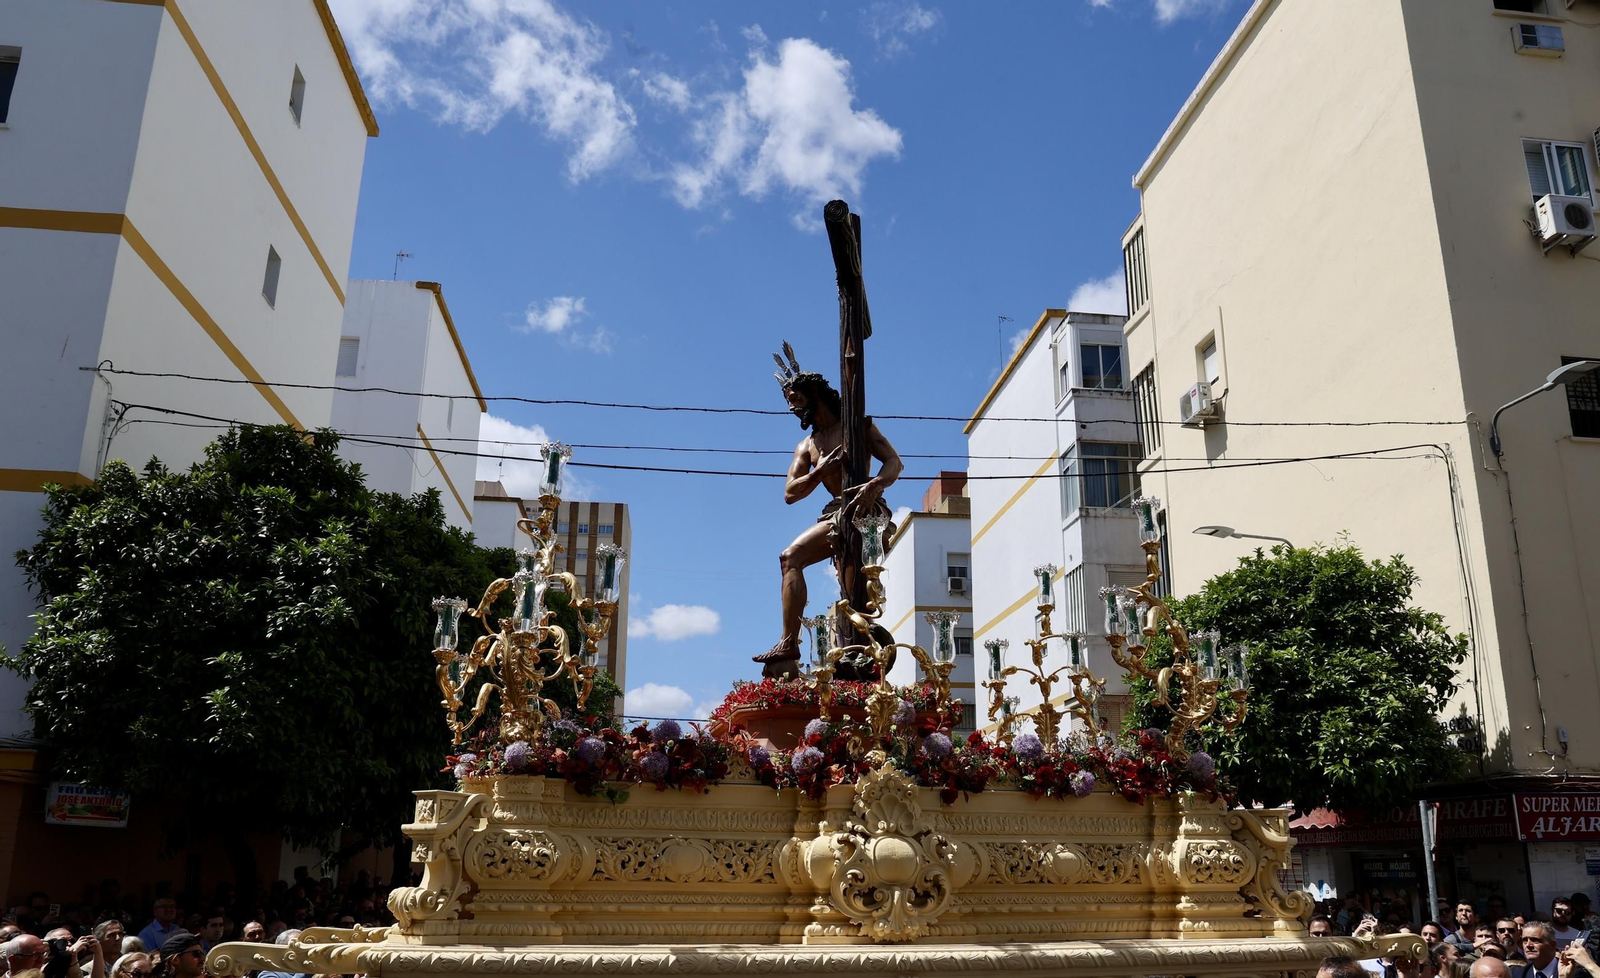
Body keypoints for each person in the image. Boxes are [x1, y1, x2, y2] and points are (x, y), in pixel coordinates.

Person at [755, 347, 903, 679]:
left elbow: (895, 462)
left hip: (865, 512)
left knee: (855, 597)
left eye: (797, 400)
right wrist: (822, 470)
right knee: (789, 557)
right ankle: (788, 642)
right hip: (836, 513)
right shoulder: (807, 446)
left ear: (815, 396)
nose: (794, 409)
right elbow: (790, 494)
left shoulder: (858, 425)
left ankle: (862, 660)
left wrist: (874, 484)